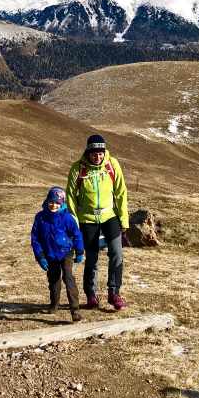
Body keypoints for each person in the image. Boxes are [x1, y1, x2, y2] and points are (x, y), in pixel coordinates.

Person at [65, 134, 129, 311]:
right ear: (88, 152)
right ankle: (91, 295)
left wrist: (124, 220)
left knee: (116, 253)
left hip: (110, 216)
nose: (97, 156)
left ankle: (114, 293)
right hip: (87, 219)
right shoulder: (77, 169)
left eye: (100, 153)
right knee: (91, 258)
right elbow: (70, 197)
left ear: (104, 152)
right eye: (94, 153)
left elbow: (121, 192)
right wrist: (74, 222)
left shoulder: (112, 164)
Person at [30, 186, 85, 322]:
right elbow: (35, 238)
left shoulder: (67, 218)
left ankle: (75, 310)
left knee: (68, 277)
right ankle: (54, 305)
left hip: (66, 252)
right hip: (50, 254)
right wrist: (40, 256)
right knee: (54, 280)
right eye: (51, 202)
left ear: (62, 203)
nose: (54, 205)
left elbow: (77, 235)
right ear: (47, 201)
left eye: (57, 203)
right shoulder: (40, 217)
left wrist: (79, 251)